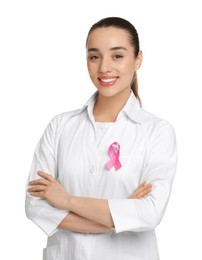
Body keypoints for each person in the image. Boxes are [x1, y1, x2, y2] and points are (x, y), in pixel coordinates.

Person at [25, 17, 177, 260]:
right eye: (94, 56)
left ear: (138, 59)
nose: (104, 68)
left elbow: (150, 212)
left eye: (117, 56)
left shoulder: (157, 131)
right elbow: (36, 206)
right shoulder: (60, 126)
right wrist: (116, 219)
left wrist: (66, 200)